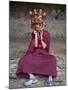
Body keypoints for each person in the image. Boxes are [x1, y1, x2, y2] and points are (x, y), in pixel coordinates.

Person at [16, 9, 57, 86]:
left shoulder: (46, 33)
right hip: (36, 52)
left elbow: (45, 46)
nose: (38, 27)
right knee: (24, 60)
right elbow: (34, 46)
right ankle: (32, 77)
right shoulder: (33, 33)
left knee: (52, 60)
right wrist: (35, 36)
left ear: (43, 25)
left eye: (40, 25)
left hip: (44, 52)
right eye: (36, 26)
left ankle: (50, 78)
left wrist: (41, 38)